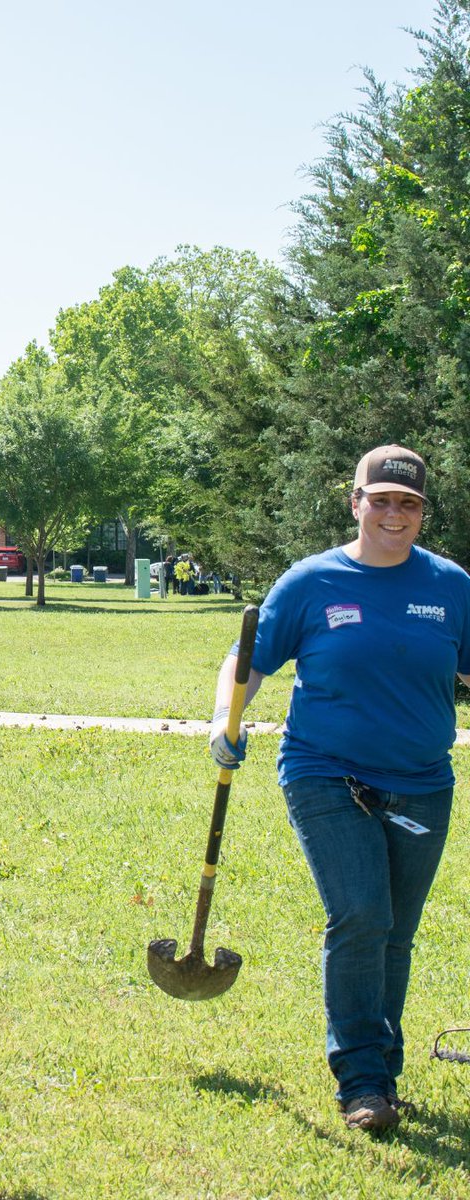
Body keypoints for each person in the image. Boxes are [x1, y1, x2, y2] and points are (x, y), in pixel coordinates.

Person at [209, 444, 470, 1133]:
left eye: (407, 503)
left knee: (396, 933)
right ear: (354, 502)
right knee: (360, 913)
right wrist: (221, 717)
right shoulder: (311, 582)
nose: (393, 513)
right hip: (325, 772)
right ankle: (360, 1080)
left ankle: (383, 1071)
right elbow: (247, 656)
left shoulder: (450, 587)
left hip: (422, 784)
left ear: (422, 512)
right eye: (379, 499)